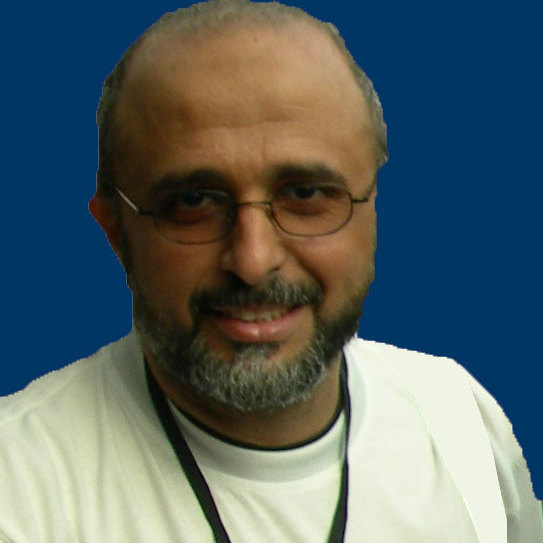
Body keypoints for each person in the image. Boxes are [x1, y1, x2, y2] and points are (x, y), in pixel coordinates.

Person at [1, 1, 541, 541]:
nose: (253, 261)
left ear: (372, 208)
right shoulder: (18, 487)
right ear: (115, 229)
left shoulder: (459, 420)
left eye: (305, 194)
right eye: (193, 202)